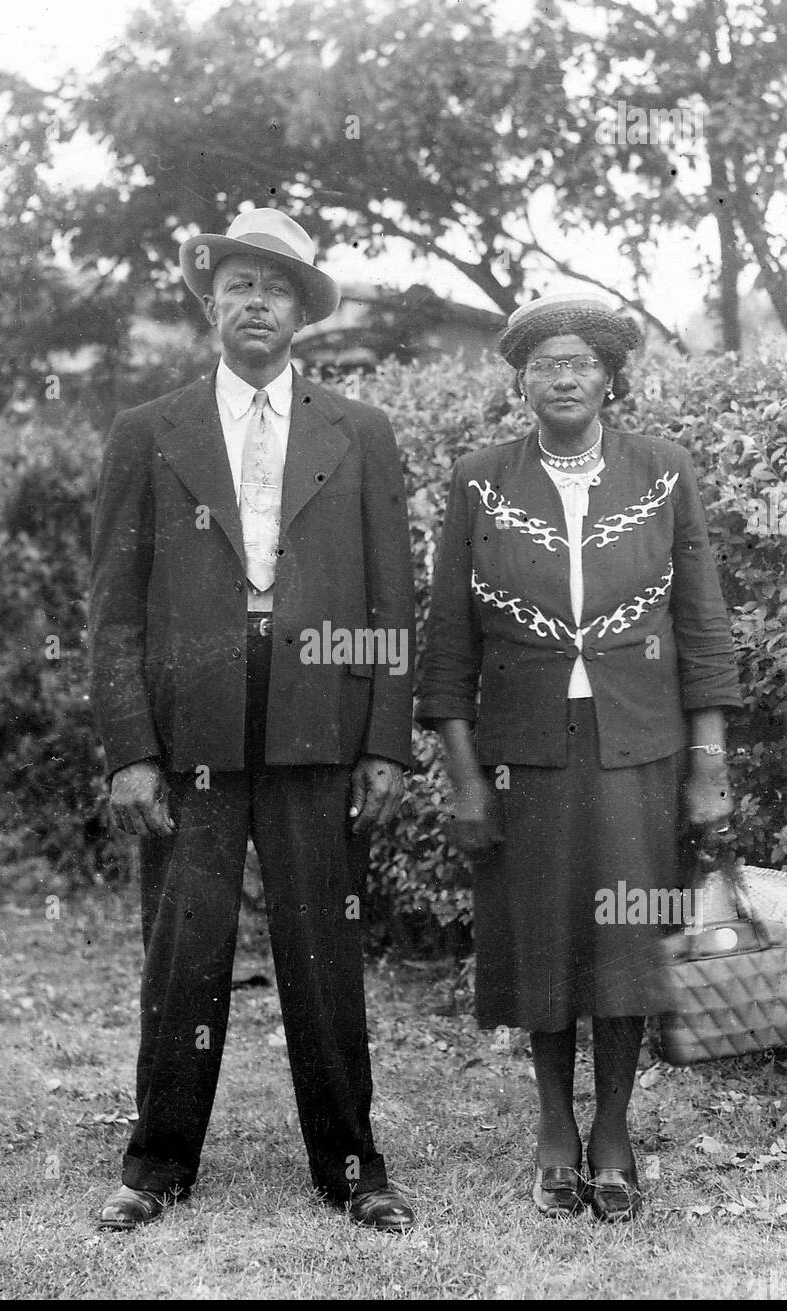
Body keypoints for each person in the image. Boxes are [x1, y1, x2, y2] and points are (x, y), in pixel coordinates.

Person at [89, 208, 416, 1233]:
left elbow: (387, 600)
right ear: (212, 303)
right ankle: (155, 1163)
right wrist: (130, 748)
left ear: (301, 313)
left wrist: (381, 738)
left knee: (322, 942)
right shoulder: (149, 431)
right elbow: (112, 605)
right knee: (186, 941)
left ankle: (353, 1166)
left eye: (275, 289)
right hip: (191, 725)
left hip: (318, 710)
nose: (255, 304)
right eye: (238, 285)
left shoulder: (357, 431)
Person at [417, 292, 740, 1221]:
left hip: (639, 744)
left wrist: (709, 764)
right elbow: (448, 644)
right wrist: (467, 779)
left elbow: (704, 625)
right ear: (521, 380)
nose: (563, 378)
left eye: (581, 363)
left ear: (610, 377)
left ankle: (615, 1130)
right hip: (525, 752)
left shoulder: (664, 472)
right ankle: (555, 1125)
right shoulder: (479, 480)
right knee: (545, 936)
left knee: (631, 937)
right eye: (545, 364)